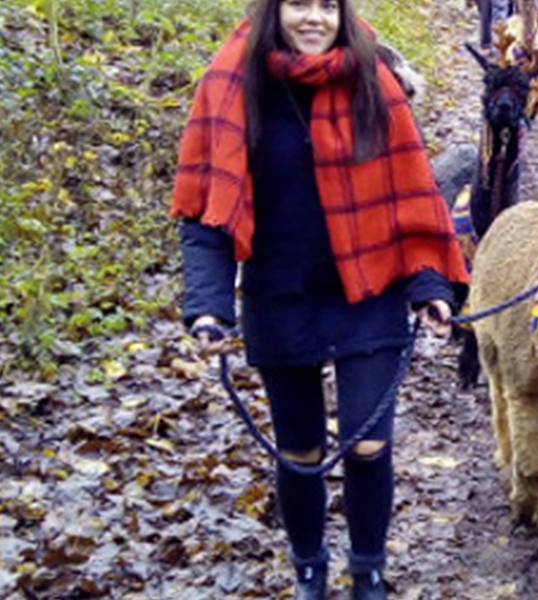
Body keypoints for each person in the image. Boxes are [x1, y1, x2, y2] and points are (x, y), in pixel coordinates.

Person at [171, 0, 468, 598]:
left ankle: (368, 571)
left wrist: (429, 285)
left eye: (327, 5)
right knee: (300, 451)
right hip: (280, 294)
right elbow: (206, 211)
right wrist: (208, 306)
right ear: (274, 10)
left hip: (369, 290)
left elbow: (411, 194)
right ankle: (309, 569)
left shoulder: (372, 81)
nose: (314, 17)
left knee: (366, 442)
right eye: (299, 4)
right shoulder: (233, 83)